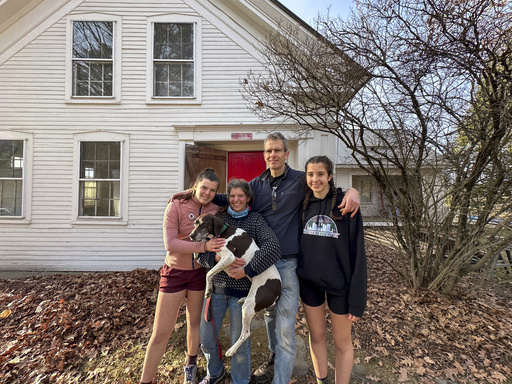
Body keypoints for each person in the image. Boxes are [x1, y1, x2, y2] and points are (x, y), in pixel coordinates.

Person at [213, 132, 361, 384]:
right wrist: (195, 194)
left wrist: (353, 190)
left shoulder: (300, 180)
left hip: (288, 264)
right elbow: (232, 198)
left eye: (278, 150)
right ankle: (274, 359)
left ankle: (280, 378)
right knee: (271, 317)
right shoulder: (255, 185)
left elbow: (324, 186)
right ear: (264, 154)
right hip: (261, 265)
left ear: (286, 153)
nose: (273, 155)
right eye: (269, 150)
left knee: (285, 330)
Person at [139, 168, 226, 384]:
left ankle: (191, 364)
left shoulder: (216, 208)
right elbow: (170, 244)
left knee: (194, 323)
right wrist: (204, 246)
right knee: (161, 332)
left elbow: (235, 200)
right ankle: (146, 380)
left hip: (199, 274)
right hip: (174, 273)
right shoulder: (175, 205)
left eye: (212, 190)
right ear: (195, 185)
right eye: (203, 187)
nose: (207, 193)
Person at [195, 178, 281, 384]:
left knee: (240, 343)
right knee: (206, 339)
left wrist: (247, 270)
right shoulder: (217, 219)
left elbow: (273, 247)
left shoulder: (256, 221)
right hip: (216, 290)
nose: (236, 199)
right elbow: (199, 255)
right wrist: (214, 258)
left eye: (240, 196)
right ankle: (215, 373)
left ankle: (240, 380)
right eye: (232, 196)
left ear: (248, 198)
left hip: (241, 291)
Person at [297, 156, 367, 384]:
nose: (315, 179)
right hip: (310, 284)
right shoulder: (303, 205)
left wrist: (357, 299)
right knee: (316, 337)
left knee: (341, 342)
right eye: (310, 174)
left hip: (340, 285)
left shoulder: (346, 206)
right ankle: (321, 380)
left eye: (320, 174)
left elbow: (358, 254)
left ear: (329, 176)